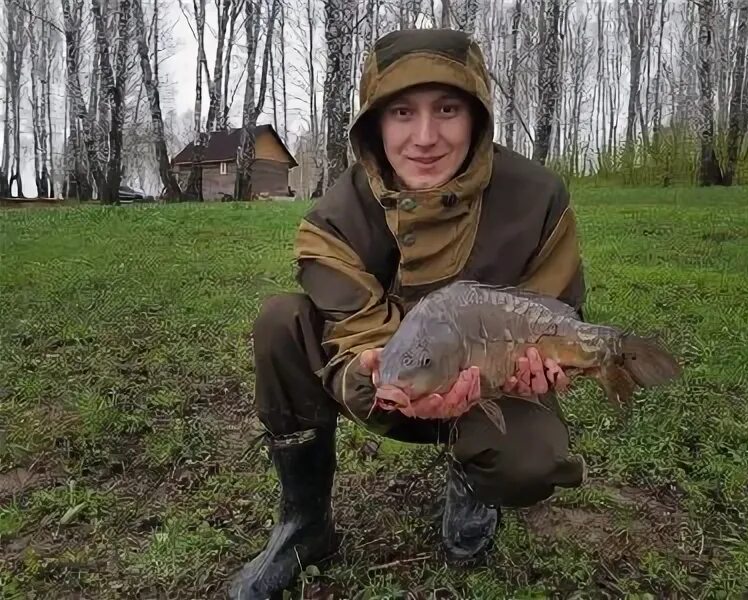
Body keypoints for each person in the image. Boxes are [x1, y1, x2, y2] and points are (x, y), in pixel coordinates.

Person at [227, 27, 588, 600]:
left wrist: (542, 366)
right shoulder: (334, 219)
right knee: (279, 321)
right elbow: (355, 337)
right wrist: (371, 376)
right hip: (392, 381)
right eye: (401, 112)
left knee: (532, 460)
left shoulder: (537, 198)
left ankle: (476, 482)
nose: (425, 137)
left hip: (491, 387)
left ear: (477, 117)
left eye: (447, 108)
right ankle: (305, 523)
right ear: (374, 124)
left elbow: (557, 314)